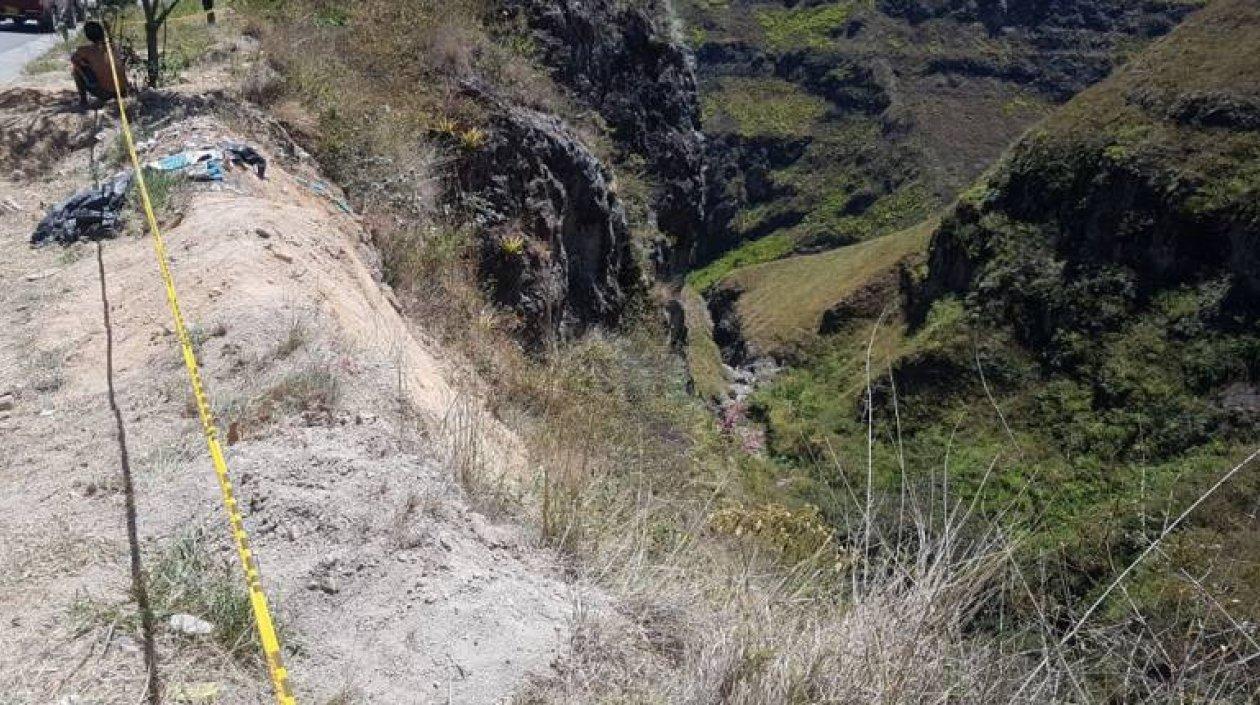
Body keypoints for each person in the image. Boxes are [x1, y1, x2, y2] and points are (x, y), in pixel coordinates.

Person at [71, 21, 129, 108]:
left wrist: (84, 64)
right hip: (123, 91)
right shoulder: (112, 46)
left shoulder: (84, 50)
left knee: (75, 71)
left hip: (106, 94)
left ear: (87, 36)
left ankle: (83, 101)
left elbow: (73, 60)